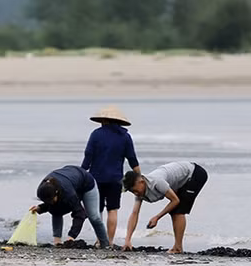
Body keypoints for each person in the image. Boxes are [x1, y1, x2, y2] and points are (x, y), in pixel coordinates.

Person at [82, 106, 140, 245]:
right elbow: (132, 159)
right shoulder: (125, 136)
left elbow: (88, 156)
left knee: (97, 211)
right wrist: (139, 177)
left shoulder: (96, 134)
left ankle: (100, 240)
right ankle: (110, 241)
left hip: (96, 178)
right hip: (115, 179)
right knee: (113, 210)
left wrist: (81, 173)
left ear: (104, 120)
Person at [122, 161, 208, 254]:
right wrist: (127, 240)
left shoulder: (157, 182)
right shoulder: (140, 192)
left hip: (194, 173)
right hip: (180, 180)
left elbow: (175, 200)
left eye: (135, 190)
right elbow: (134, 213)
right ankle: (177, 247)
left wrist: (157, 217)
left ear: (141, 182)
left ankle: (178, 248)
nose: (135, 193)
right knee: (174, 211)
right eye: (132, 192)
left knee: (178, 211)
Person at [30, 166, 110, 248]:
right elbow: (50, 203)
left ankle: (105, 244)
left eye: (51, 200)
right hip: (70, 179)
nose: (49, 202)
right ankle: (57, 241)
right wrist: (40, 208)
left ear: (56, 193)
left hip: (86, 183)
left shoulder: (68, 194)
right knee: (55, 209)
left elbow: (79, 214)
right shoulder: (42, 190)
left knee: (94, 217)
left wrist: (71, 237)